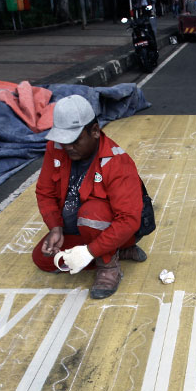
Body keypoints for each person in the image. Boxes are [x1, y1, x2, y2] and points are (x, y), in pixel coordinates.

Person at [33, 95, 148, 299]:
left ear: (94, 131)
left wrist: (88, 252)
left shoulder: (117, 162)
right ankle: (118, 251)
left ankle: (108, 266)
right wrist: (55, 227)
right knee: (43, 260)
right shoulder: (56, 149)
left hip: (110, 226)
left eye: (74, 140)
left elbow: (128, 220)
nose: (67, 146)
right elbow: (45, 191)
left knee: (92, 213)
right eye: (62, 139)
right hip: (78, 228)